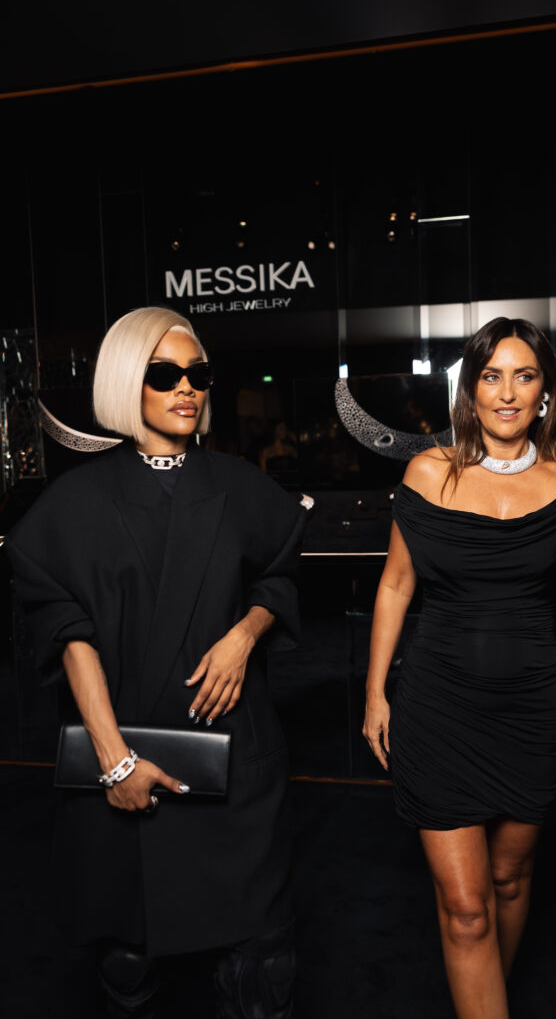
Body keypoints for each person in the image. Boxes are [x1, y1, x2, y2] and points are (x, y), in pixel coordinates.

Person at [6, 307, 307, 1019]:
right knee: (128, 963)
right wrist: (114, 763)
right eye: (164, 374)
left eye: (198, 374)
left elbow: (279, 574)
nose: (186, 388)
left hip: (234, 756)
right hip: (124, 754)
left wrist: (244, 635)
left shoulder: (238, 485)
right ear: (124, 381)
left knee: (265, 965)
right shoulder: (74, 503)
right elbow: (67, 634)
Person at [362, 317, 556, 1019]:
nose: (506, 393)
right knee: (467, 909)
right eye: (490, 376)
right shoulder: (427, 472)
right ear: (469, 390)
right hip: (436, 708)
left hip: (528, 711)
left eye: (524, 376)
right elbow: (396, 584)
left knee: (510, 879)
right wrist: (375, 693)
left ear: (545, 391)